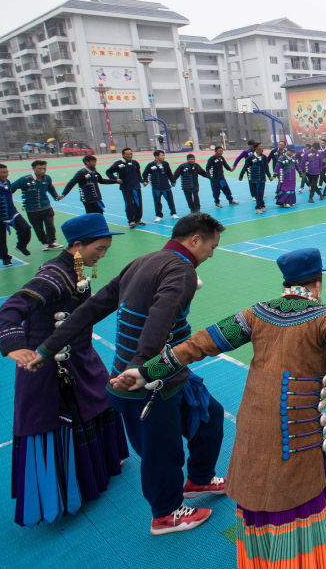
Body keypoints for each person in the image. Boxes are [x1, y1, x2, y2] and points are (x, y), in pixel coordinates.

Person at [110, 247, 326, 566]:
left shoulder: (256, 314)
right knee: (295, 489)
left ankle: (261, 557)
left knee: (258, 481)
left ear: (286, 282)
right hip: (296, 432)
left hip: (253, 423)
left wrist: (146, 371)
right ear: (318, 283)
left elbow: (199, 344)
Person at [28, 212, 228, 535]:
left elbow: (91, 309)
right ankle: (165, 515)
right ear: (195, 240)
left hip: (165, 371)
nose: (211, 254)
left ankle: (199, 479)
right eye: (211, 247)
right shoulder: (181, 271)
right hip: (147, 379)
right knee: (162, 451)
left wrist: (47, 348)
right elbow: (161, 317)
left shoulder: (142, 261)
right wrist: (140, 366)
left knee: (210, 416)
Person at [0, 213, 128, 526]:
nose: (102, 254)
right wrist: (13, 344)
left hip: (80, 356)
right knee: (60, 420)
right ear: (77, 245)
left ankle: (101, 466)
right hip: (51, 367)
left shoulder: (76, 269)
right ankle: (68, 489)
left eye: (106, 249)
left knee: (100, 402)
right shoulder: (54, 276)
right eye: (99, 248)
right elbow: (12, 307)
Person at [11, 160, 62, 250]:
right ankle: (45, 243)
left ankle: (51, 242)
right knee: (38, 228)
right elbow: (11, 188)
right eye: (40, 169)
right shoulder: (25, 179)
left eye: (44, 168)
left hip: (46, 207)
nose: (42, 171)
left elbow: (50, 188)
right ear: (34, 169)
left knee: (50, 225)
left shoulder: (47, 178)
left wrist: (56, 196)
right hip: (32, 209)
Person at [0, 163, 33, 265]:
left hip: (11, 212)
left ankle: (21, 246)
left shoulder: (7, 182)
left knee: (25, 228)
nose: (5, 175)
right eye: (2, 172)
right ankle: (5, 258)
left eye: (6, 172)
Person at [106, 149, 146, 227]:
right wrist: (115, 179)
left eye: (130, 154)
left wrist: (142, 181)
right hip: (126, 188)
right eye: (127, 154)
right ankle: (131, 221)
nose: (129, 156)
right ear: (123, 155)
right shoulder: (118, 163)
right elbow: (108, 172)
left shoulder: (135, 163)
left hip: (136, 187)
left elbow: (138, 173)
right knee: (129, 204)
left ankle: (138, 219)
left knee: (138, 204)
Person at [142, 150, 178, 222]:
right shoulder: (150, 165)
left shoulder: (165, 164)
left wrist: (173, 181)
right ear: (156, 156)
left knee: (170, 201)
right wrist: (145, 181)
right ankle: (159, 215)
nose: (164, 157)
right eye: (162, 155)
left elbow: (169, 173)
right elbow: (144, 174)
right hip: (156, 188)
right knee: (157, 202)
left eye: (164, 155)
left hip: (166, 187)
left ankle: (173, 213)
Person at [240, 143, 274, 214]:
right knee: (257, 194)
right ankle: (262, 205)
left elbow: (266, 168)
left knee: (260, 193)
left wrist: (269, 176)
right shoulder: (250, 158)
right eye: (260, 146)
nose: (262, 148)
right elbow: (245, 167)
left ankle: (257, 208)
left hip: (262, 179)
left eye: (262, 146)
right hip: (253, 178)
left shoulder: (264, 157)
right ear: (255, 148)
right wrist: (241, 175)